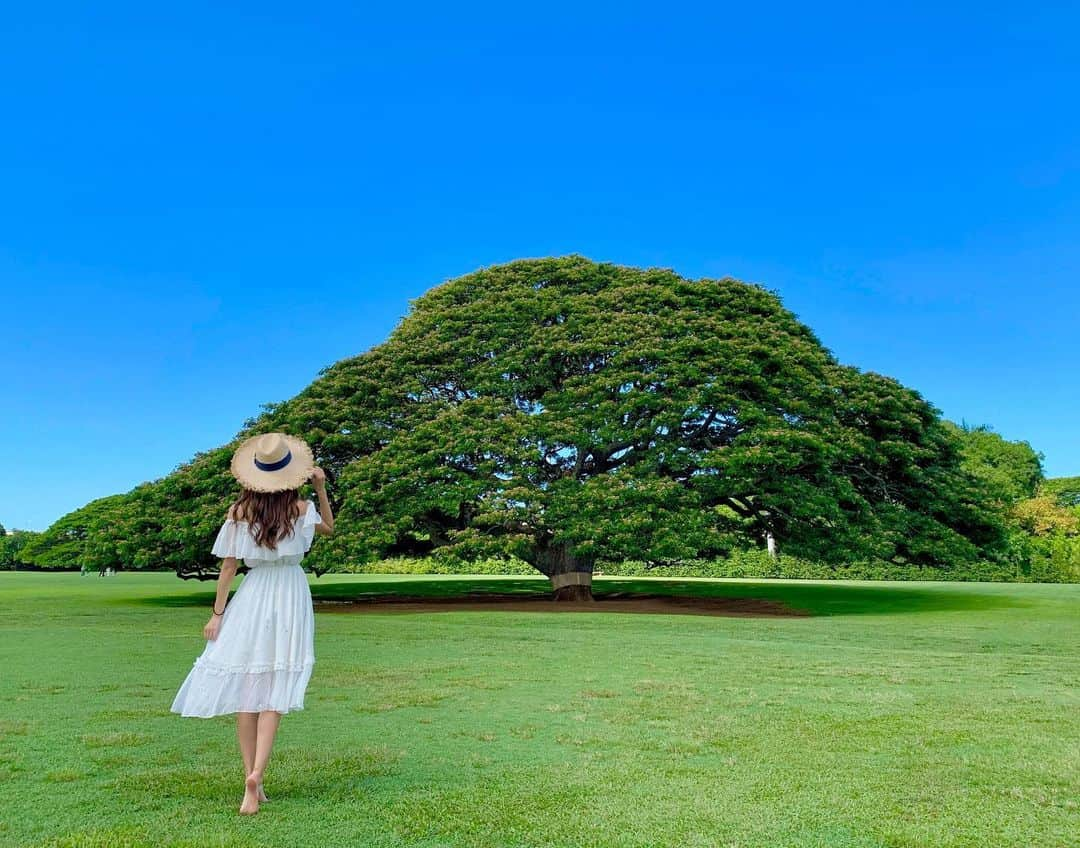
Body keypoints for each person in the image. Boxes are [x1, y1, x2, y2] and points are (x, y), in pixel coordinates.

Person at [170, 432, 334, 815]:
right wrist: (321, 488)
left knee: (248, 687)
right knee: (275, 687)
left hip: (254, 592)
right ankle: (257, 774)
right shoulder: (300, 508)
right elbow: (329, 528)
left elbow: (228, 567)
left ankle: (250, 776)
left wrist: (217, 613)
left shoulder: (239, 513)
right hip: (290, 592)